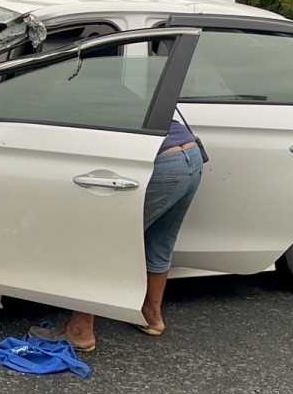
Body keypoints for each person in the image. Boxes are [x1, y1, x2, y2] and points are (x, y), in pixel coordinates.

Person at [30, 113, 205, 352]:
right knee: (160, 241)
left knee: (101, 244)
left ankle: (81, 330)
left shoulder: (73, 80)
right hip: (189, 155)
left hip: (158, 163)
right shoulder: (117, 81)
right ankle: (151, 316)